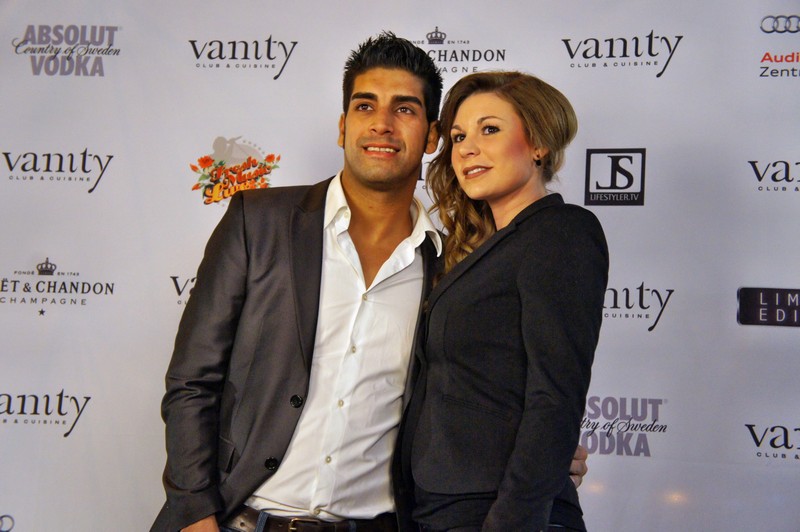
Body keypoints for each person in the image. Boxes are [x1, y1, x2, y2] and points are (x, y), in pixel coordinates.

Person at [152, 34, 587, 532]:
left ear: (432, 137)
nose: (382, 123)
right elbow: (192, 380)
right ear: (343, 127)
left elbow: (477, 397)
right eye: (365, 106)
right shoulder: (259, 221)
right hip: (239, 521)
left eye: (404, 109)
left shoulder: (452, 265)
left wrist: (545, 461)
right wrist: (195, 512)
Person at [398, 72, 608, 531]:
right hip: (439, 509)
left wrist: (514, 518)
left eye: (489, 129)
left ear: (539, 145)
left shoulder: (561, 232)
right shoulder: (471, 252)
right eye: (458, 137)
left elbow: (556, 395)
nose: (467, 149)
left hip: (499, 513)